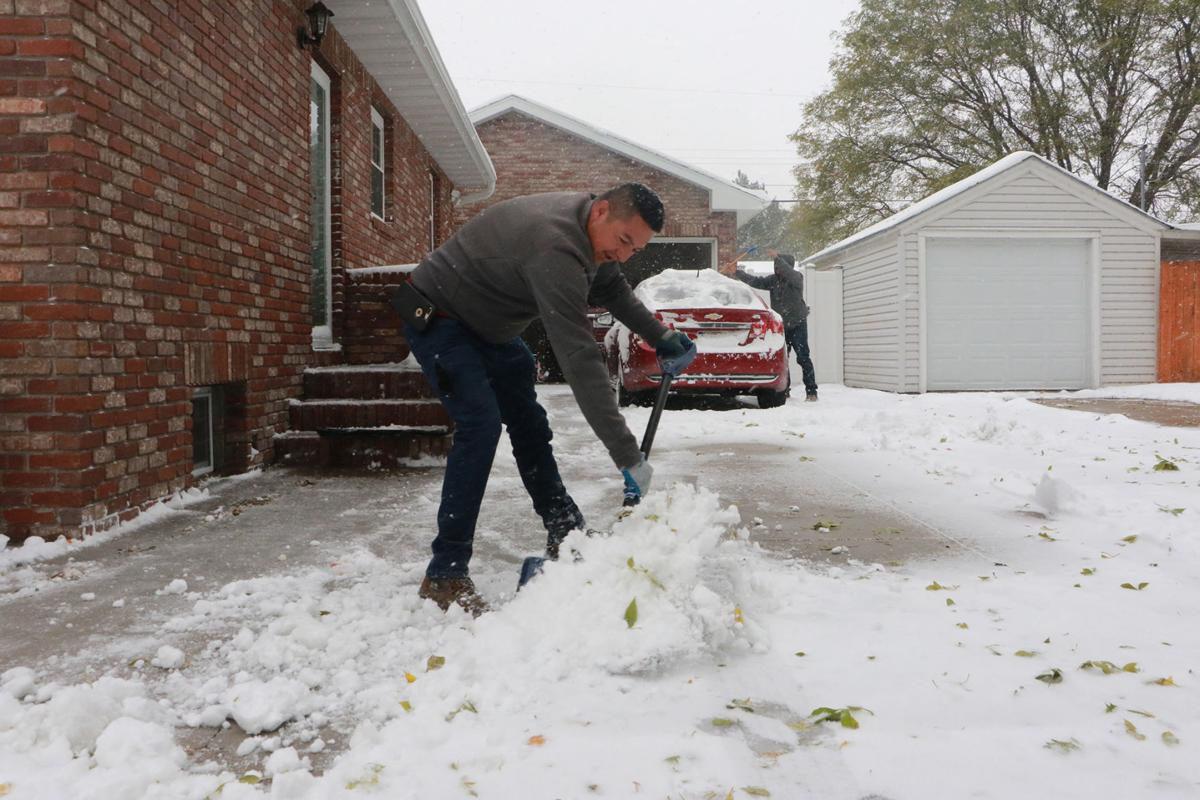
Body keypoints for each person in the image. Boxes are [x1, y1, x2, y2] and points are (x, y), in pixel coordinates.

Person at [398, 184, 697, 615]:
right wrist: (626, 453)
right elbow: (578, 357)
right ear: (602, 212)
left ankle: (564, 529)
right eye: (625, 241)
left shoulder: (593, 237)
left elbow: (614, 291)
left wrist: (661, 336)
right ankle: (445, 574)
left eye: (637, 248)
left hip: (491, 326)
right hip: (440, 315)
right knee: (480, 426)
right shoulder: (555, 247)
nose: (626, 253)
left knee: (530, 426)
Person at [719, 249, 818, 401]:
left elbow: (788, 272)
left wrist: (777, 257)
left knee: (803, 357)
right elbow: (756, 281)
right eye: (775, 266)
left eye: (779, 265)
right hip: (782, 325)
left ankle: (811, 391)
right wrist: (737, 272)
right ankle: (785, 390)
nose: (777, 268)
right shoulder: (773, 280)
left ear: (787, 266)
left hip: (798, 323)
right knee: (783, 358)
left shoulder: (796, 278)